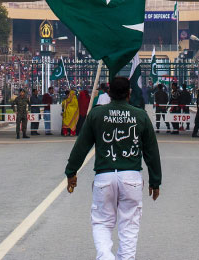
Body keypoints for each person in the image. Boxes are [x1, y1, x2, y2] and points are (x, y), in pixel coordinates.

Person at [65, 76, 161, 260]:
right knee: (129, 227)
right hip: (131, 178)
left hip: (104, 177)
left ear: (108, 93)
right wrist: (155, 182)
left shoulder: (96, 114)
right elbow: (151, 151)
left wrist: (71, 171)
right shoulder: (140, 115)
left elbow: (81, 146)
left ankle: (105, 257)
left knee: (102, 223)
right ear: (129, 93)